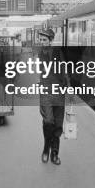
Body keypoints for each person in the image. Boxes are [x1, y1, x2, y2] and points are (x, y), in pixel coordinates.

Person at [38, 28, 67, 166]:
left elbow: (64, 70)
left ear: (51, 41)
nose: (41, 42)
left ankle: (55, 153)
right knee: (48, 121)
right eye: (41, 39)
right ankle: (45, 148)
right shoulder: (40, 53)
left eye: (44, 40)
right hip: (45, 92)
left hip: (59, 93)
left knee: (58, 124)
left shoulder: (58, 52)